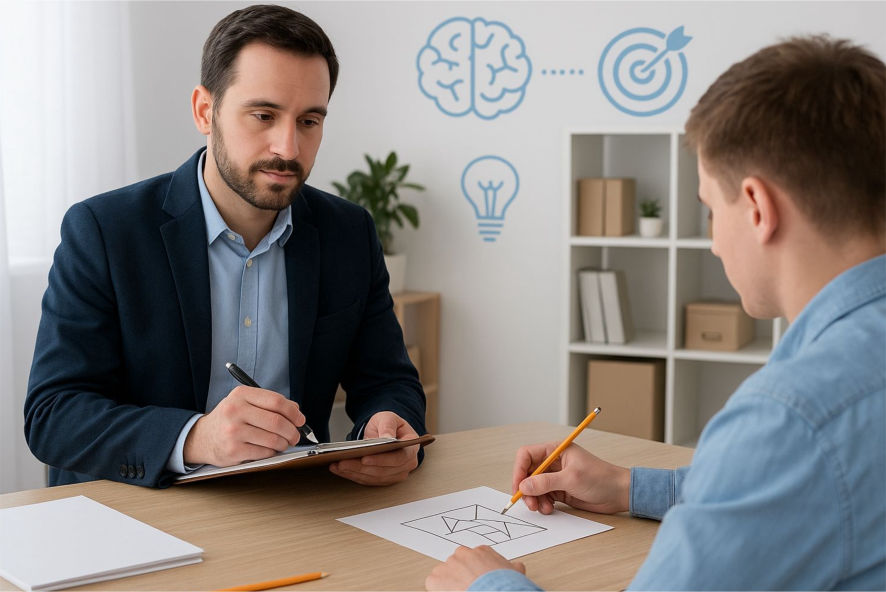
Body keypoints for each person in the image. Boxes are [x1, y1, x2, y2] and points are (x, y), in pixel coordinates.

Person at [427, 35, 885, 591]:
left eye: (711, 211)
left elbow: (794, 466)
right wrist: (628, 487)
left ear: (759, 208)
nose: (714, 244)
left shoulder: (791, 418)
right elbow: (804, 496)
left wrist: (487, 585)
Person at [24, 4, 426, 489]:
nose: (288, 148)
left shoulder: (348, 232)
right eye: (263, 115)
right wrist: (197, 437)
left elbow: (389, 380)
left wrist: (387, 428)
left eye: (309, 121)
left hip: (289, 510)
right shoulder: (104, 230)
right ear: (204, 111)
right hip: (135, 512)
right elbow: (54, 415)